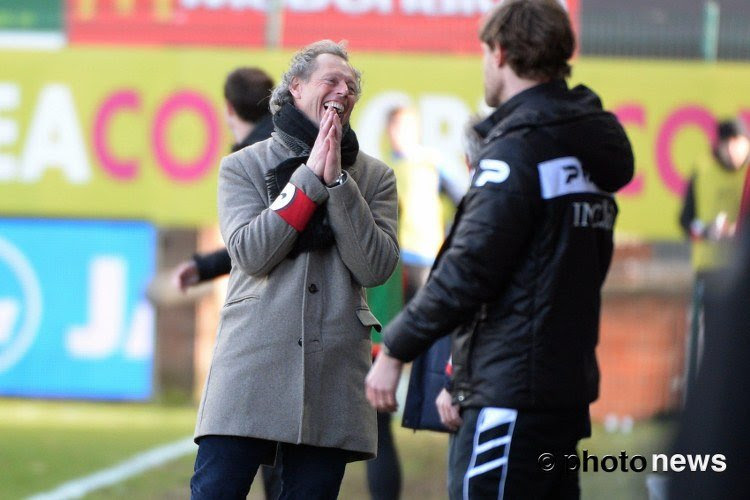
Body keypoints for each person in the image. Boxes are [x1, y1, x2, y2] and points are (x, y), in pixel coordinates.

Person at [365, 1, 634, 499]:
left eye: (485, 52)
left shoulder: (517, 151)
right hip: (559, 392)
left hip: (510, 398)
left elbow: (468, 271)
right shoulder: (581, 143)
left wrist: (395, 348)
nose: (485, 64)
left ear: (502, 52)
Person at [190, 40, 399, 499]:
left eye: (351, 85)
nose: (343, 90)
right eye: (332, 80)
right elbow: (251, 252)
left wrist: (340, 185)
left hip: (334, 374)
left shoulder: (375, 176)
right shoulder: (243, 165)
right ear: (296, 86)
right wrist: (307, 179)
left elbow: (376, 266)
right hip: (251, 364)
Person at [173, 67, 275, 292]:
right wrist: (205, 267)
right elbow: (263, 237)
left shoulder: (250, 162)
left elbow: (260, 242)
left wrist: (205, 267)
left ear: (228, 108)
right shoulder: (286, 144)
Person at [678, 118, 749, 393]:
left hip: (741, 271)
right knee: (703, 342)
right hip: (708, 270)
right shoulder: (703, 169)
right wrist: (707, 231)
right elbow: (686, 220)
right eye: (729, 144)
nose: (734, 151)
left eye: (740, 144)